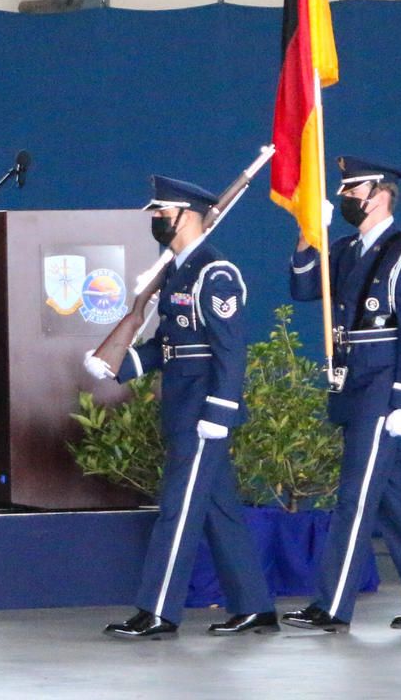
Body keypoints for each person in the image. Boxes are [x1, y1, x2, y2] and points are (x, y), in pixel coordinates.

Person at [85, 176, 276, 639]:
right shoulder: (177, 270)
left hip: (203, 412)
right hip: (182, 406)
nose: (156, 219)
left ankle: (158, 611)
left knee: (177, 509)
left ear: (188, 216)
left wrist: (219, 412)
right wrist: (117, 364)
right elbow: (168, 346)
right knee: (218, 510)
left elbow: (229, 350)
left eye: (162, 212)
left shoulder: (215, 273)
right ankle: (255, 605)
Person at [281, 157, 401, 632]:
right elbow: (304, 286)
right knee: (389, 495)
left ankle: (332, 605)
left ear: (380, 194)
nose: (345, 197)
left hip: (383, 387)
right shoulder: (345, 249)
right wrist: (309, 234)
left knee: (356, 496)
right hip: (352, 382)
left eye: (353, 190)